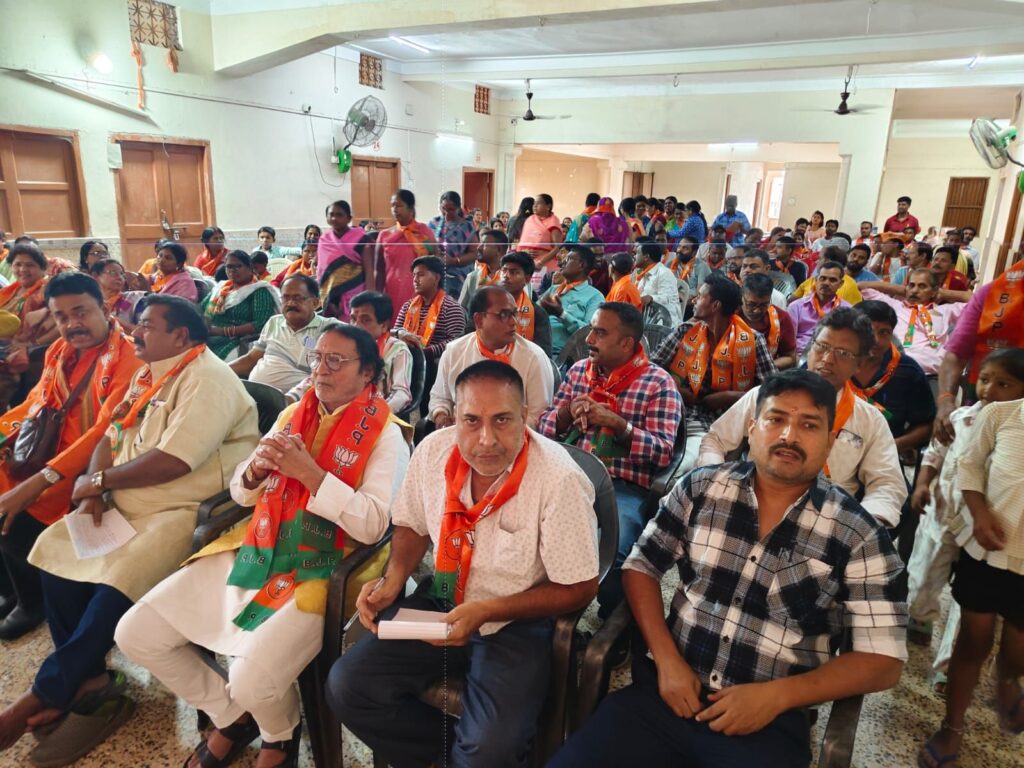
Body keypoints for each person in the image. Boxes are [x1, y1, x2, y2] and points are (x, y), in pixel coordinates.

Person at [549, 369, 907, 768]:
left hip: (766, 723)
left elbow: (883, 659)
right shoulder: (701, 488)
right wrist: (667, 660)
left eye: (809, 425)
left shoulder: (857, 532)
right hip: (667, 696)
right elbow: (641, 567)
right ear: (751, 429)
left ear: (830, 441)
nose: (789, 435)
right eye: (776, 419)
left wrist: (779, 696)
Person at [115, 324, 408, 768]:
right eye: (317, 358)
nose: (321, 369)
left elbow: (372, 526)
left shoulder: (387, 434)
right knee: (136, 634)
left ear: (368, 373)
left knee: (251, 679)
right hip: (260, 545)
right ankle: (232, 717)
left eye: (336, 360)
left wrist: (310, 474)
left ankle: (280, 734)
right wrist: (254, 474)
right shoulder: (294, 414)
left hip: (328, 564)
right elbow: (241, 491)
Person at [0, 296, 259, 764]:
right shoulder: (149, 373)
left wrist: (99, 482)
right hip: (125, 499)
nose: (135, 332)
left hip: (183, 509)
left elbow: (174, 461)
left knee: (118, 584)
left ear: (180, 335)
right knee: (57, 552)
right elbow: (109, 434)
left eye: (146, 325)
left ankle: (44, 693)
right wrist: (93, 490)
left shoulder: (207, 378)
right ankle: (89, 679)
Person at [327, 360, 600, 768]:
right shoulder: (433, 451)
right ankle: (454, 757)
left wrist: (487, 611)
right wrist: (394, 578)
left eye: (502, 420)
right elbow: (412, 524)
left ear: (525, 416)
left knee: (489, 748)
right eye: (471, 421)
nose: (486, 440)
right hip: (444, 597)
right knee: (348, 686)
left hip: (514, 620)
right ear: (455, 416)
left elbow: (579, 586)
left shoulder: (558, 480)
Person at [0, 273, 142, 641]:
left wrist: (41, 480)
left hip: (90, 462)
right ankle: (17, 587)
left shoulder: (128, 358)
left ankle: (33, 600)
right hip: (44, 448)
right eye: (61, 316)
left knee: (17, 508)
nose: (71, 324)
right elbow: (36, 403)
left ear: (105, 309)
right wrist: (3, 433)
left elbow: (104, 432)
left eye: (81, 312)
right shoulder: (58, 351)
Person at [699, 307, 907, 528]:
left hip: (827, 522)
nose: (827, 359)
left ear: (860, 363)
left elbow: (887, 484)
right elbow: (715, 440)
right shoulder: (768, 396)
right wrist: (719, 485)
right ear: (810, 347)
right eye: (822, 346)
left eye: (843, 353)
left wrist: (857, 529)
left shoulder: (869, 420)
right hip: (753, 505)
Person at [538, 302, 682, 614]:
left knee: (615, 551)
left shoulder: (658, 383)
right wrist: (566, 414)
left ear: (627, 343)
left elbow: (662, 453)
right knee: (528, 535)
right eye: (592, 330)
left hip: (622, 486)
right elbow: (544, 428)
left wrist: (619, 426)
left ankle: (612, 619)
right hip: (567, 477)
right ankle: (545, 614)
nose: (589, 339)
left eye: (600, 333)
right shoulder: (580, 372)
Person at [917, 380, 1024, 767]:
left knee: (1017, 649)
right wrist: (979, 513)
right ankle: (952, 727)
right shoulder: (1002, 414)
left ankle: (1006, 678)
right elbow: (970, 466)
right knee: (972, 642)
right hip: (987, 550)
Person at [906, 349, 1024, 694]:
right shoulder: (959, 419)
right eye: (984, 380)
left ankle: (947, 665)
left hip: (981, 530)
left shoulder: (1013, 431)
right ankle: (920, 616)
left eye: (1003, 384)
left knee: (967, 604)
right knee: (924, 580)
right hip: (943, 517)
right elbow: (935, 453)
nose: (989, 390)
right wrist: (923, 484)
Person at [652, 275, 777, 473]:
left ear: (715, 305)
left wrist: (732, 397)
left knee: (684, 469)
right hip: (675, 412)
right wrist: (675, 388)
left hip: (721, 423)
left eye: (701, 296)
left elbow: (774, 391)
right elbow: (651, 369)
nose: (694, 300)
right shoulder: (685, 331)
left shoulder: (752, 340)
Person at [428, 285, 554, 429]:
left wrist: (495, 431)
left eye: (514, 313)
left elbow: (538, 416)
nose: (513, 321)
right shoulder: (454, 352)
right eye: (504, 315)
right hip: (462, 435)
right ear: (479, 320)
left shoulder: (533, 357)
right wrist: (441, 417)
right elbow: (440, 398)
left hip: (515, 438)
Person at [850, 300, 936, 456]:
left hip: (883, 456)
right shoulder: (832, 361)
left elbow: (925, 425)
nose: (876, 340)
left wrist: (893, 447)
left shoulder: (907, 371)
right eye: (868, 331)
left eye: (884, 332)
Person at [228, 274, 338, 394]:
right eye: (285, 298)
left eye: (298, 298)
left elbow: (329, 374)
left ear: (315, 303)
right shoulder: (274, 322)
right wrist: (221, 369)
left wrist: (293, 397)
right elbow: (251, 359)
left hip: (297, 399)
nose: (290, 303)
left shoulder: (330, 329)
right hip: (255, 394)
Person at [857, 268, 966, 376]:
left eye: (922, 286)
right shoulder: (893, 306)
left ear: (934, 291)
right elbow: (862, 286)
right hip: (894, 371)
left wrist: (943, 293)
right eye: (912, 285)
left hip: (932, 375)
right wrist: (903, 290)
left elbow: (976, 301)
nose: (914, 290)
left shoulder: (945, 310)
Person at [0, 243, 60, 411]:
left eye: (30, 265)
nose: (22, 270)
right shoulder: (11, 291)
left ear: (42, 268)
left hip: (31, 355)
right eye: (18, 264)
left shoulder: (49, 291)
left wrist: (31, 345)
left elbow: (59, 324)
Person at [203, 251, 282, 360]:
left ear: (250, 268)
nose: (232, 270)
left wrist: (223, 331)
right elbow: (202, 308)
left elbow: (261, 323)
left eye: (238, 266)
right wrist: (204, 324)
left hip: (239, 340)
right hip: (210, 335)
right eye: (229, 267)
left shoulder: (259, 290)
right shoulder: (221, 288)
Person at [348, 291, 414, 414]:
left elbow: (401, 394)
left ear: (383, 325)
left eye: (365, 320)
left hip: (375, 414)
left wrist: (374, 415)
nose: (356, 326)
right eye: (353, 319)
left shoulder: (396, 349)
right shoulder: (344, 343)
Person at [393, 256, 466, 368]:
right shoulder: (408, 306)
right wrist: (399, 333)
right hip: (407, 361)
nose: (415, 280)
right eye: (414, 275)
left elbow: (457, 342)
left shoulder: (451, 308)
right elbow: (394, 333)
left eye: (420, 275)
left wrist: (425, 353)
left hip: (437, 365)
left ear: (436, 278)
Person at [374, 190, 437, 313]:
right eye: (392, 205)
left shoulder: (423, 233)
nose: (394, 209)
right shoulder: (384, 235)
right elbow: (379, 270)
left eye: (399, 205)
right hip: (392, 292)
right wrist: (377, 297)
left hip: (418, 290)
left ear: (411, 208)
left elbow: (434, 258)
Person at [538, 245, 604, 356]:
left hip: (563, 356)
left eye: (568, 259)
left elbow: (589, 332)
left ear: (581, 265)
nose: (562, 262)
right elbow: (533, 313)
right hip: (537, 348)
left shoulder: (595, 296)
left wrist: (561, 314)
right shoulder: (554, 289)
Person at [316, 200, 369, 320]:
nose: (334, 218)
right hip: (330, 295)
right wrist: (324, 294)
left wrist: (369, 298)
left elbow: (369, 271)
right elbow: (321, 269)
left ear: (349, 218)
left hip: (356, 294)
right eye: (331, 215)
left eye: (339, 215)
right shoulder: (324, 240)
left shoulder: (362, 239)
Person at [787, 261, 850, 355]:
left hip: (831, 356)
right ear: (816, 280)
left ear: (841, 284)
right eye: (822, 278)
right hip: (799, 356)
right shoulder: (796, 307)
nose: (826, 283)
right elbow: (789, 343)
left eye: (832, 280)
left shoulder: (847, 310)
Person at [498, 251, 552, 357]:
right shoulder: (485, 304)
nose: (506, 276)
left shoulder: (538, 313)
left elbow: (543, 353)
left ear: (527, 279)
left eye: (513, 272)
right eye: (504, 271)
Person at [740, 273, 797, 370]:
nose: (757, 310)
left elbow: (790, 357)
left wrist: (764, 366)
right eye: (751, 304)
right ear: (742, 296)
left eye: (764, 305)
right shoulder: (729, 314)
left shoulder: (781, 318)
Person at [430, 191, 480, 296]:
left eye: (451, 210)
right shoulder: (434, 223)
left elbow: (474, 253)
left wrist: (453, 261)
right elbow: (425, 244)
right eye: (443, 209)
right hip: (435, 274)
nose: (446, 213)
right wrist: (434, 253)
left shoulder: (466, 226)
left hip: (457, 276)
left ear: (458, 208)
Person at [630, 237, 683, 326]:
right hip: (648, 321)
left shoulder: (664, 273)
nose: (634, 257)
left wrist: (651, 298)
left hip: (667, 324)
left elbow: (667, 298)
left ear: (646, 257)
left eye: (637, 253)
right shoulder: (642, 275)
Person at [516, 193, 564, 291]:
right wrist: (524, 252)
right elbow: (521, 244)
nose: (534, 206)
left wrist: (541, 262)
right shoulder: (530, 220)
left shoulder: (553, 221)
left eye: (538, 203)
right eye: (534, 203)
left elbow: (558, 247)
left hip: (546, 266)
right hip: (527, 263)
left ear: (548, 206)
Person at [788, 246, 863, 306]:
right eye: (823, 278)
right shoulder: (814, 279)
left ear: (828, 262)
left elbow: (855, 313)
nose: (817, 261)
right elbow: (791, 301)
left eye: (820, 259)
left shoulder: (850, 285)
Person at [88, 259, 146, 333]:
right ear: (95, 276)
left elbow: (145, 332)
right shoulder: (89, 304)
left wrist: (110, 318)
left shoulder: (137, 299)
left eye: (122, 274)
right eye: (113, 273)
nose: (119, 277)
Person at [458, 228, 508, 311]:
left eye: (484, 245)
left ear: (498, 250)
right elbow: (461, 309)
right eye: (480, 243)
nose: (478, 248)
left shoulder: (512, 279)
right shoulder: (473, 278)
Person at [667, 235, 711, 300]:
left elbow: (700, 296)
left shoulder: (702, 267)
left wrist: (682, 302)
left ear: (694, 253)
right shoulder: (670, 264)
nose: (679, 250)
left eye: (685, 248)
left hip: (690, 304)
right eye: (679, 246)